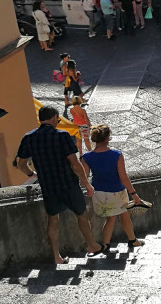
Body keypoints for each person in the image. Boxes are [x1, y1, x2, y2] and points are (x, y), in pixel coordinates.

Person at [15, 105, 102, 264]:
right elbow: (75, 164)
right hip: (68, 183)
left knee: (53, 220)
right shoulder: (62, 135)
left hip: (48, 186)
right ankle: (92, 245)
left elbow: (20, 163)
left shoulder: (29, 138)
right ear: (55, 117)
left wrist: (31, 174)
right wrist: (87, 184)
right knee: (81, 215)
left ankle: (57, 256)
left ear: (41, 119)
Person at [83, 124, 148, 253]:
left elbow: (84, 178)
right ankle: (132, 240)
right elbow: (123, 177)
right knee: (124, 215)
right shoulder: (116, 155)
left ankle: (106, 245)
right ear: (107, 138)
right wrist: (134, 194)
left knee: (111, 218)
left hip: (99, 192)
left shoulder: (87, 157)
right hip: (116, 191)